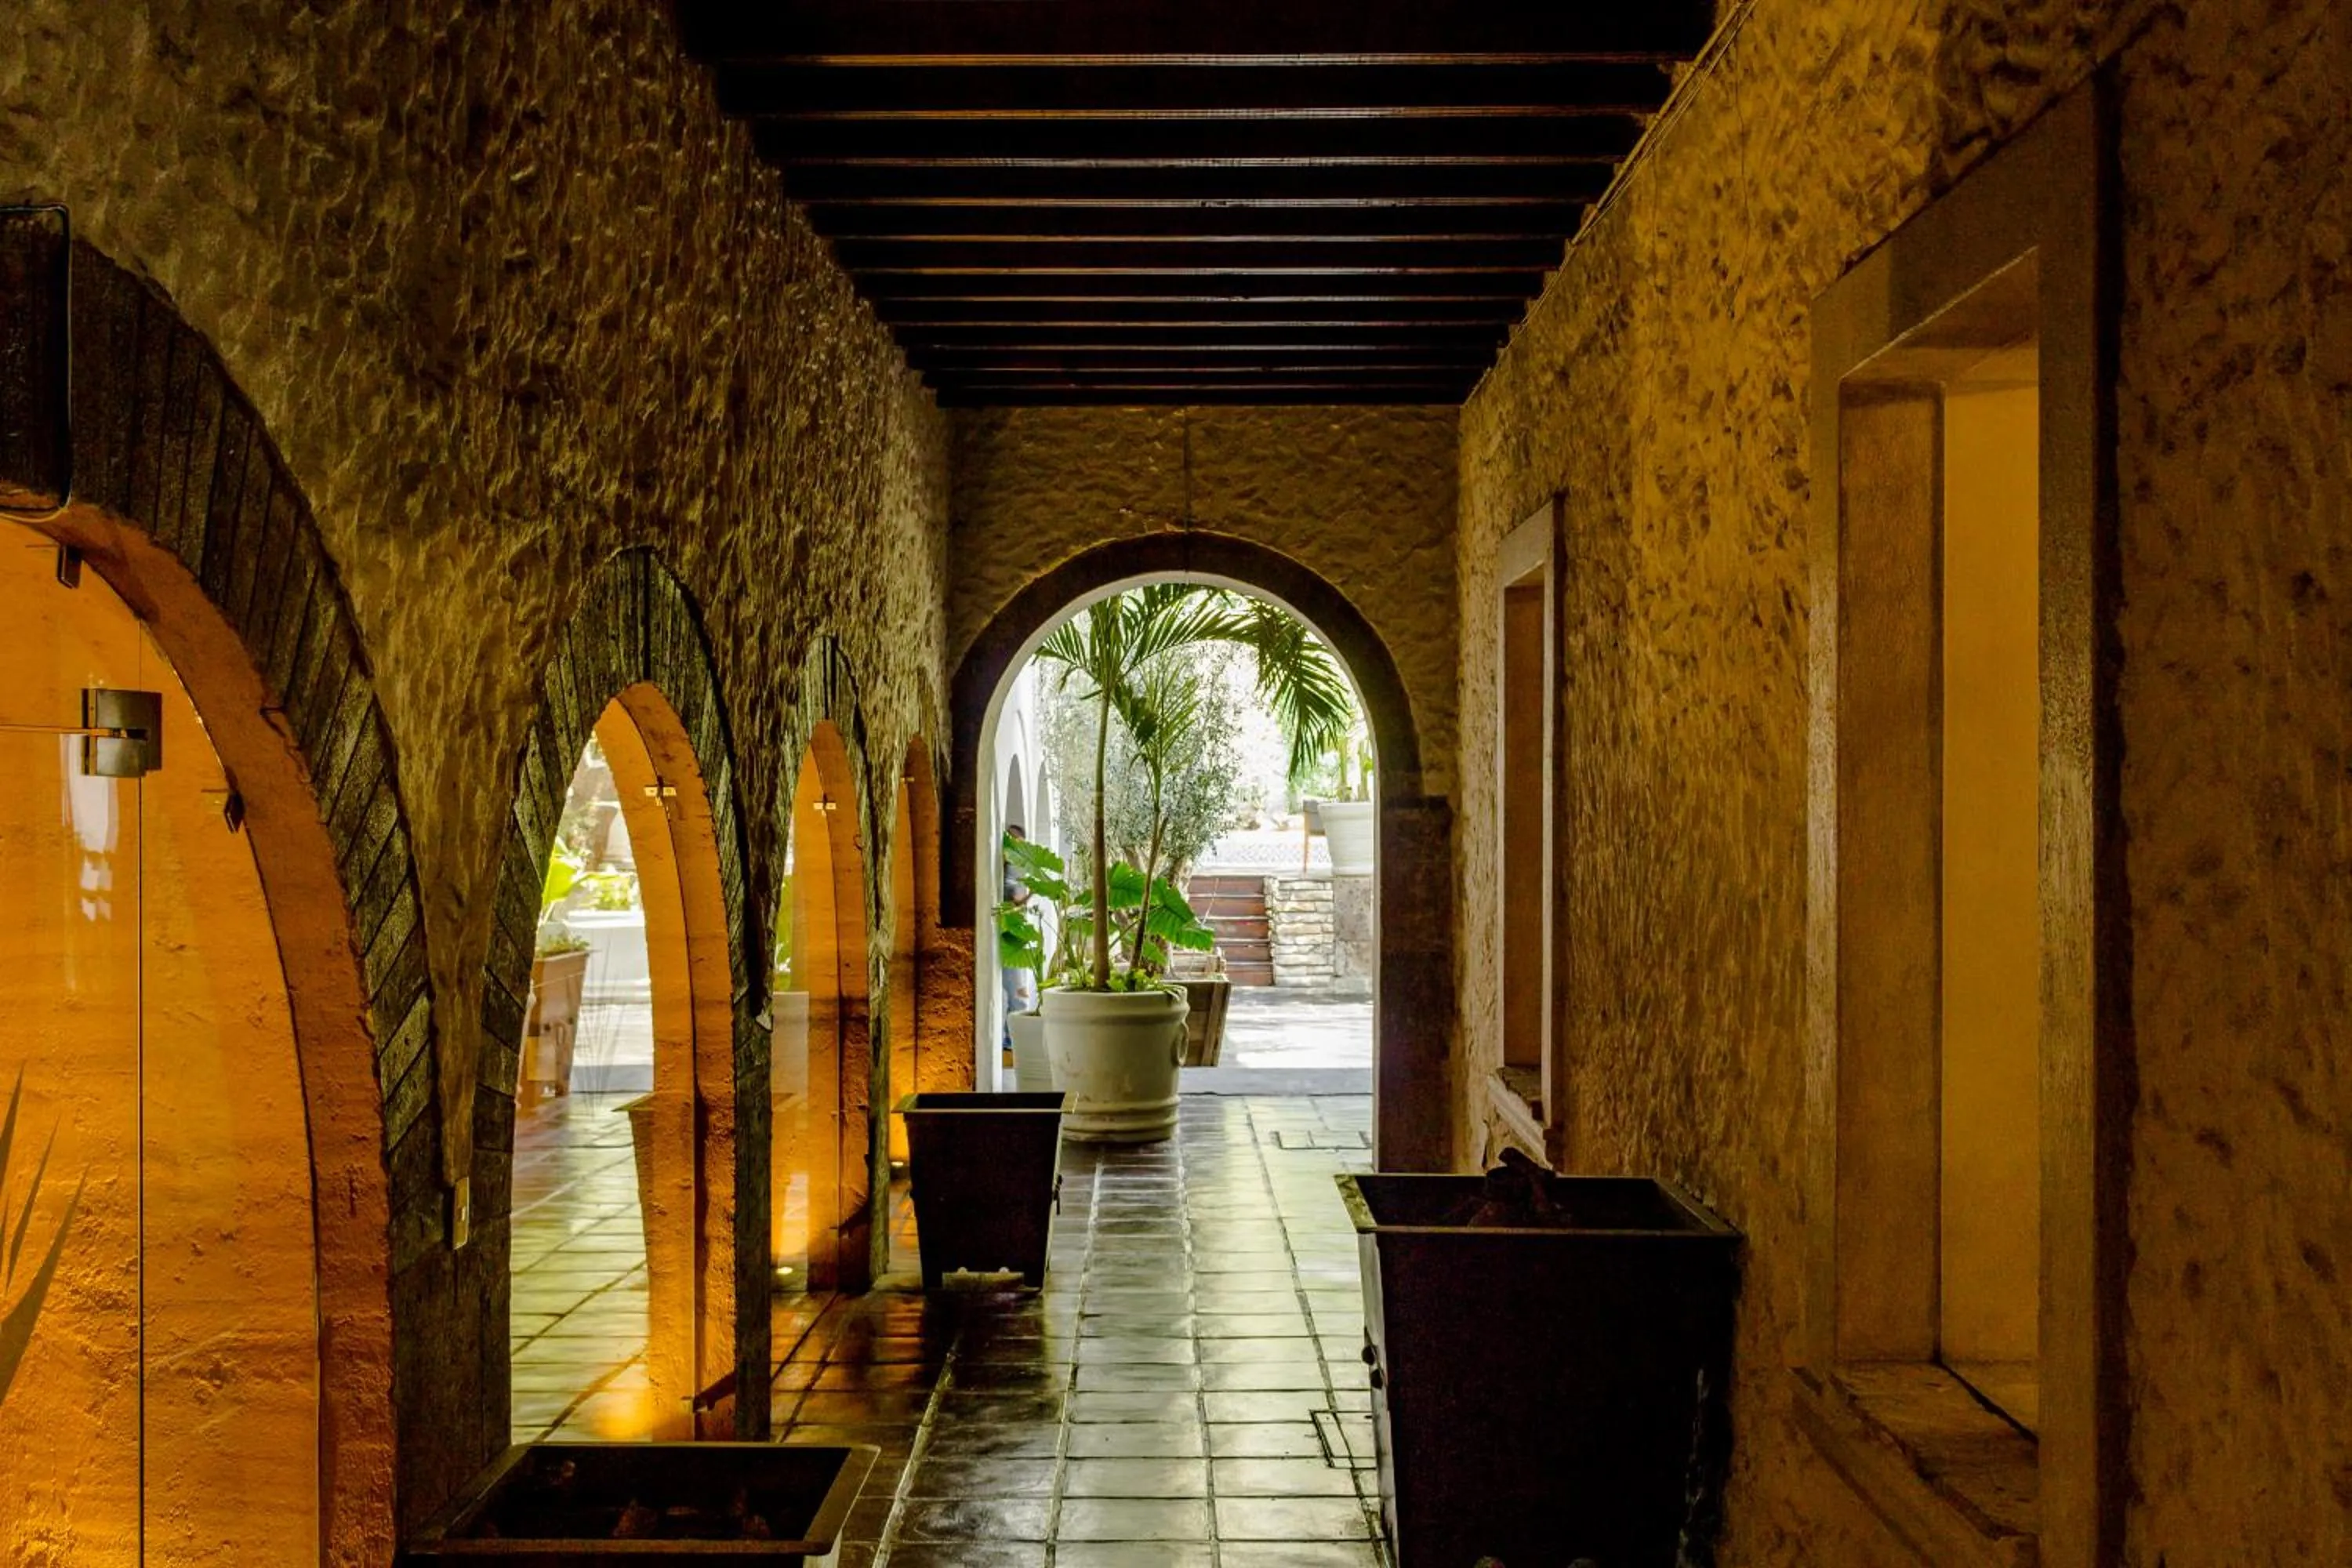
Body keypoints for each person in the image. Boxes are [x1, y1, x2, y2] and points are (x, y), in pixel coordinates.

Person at [1000, 825, 1037, 1057]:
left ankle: (1010, 1042)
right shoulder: (1012, 865)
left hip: (1014, 932)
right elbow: (1015, 898)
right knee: (1019, 995)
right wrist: (1033, 892)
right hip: (1011, 935)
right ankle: (1012, 1045)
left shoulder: (1013, 862)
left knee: (1017, 993)